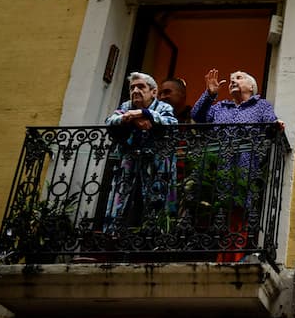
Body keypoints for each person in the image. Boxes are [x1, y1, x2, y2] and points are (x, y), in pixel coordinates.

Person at [190, 69, 280, 261]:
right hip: (218, 168)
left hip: (245, 167)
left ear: (252, 86)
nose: (232, 81)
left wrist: (276, 125)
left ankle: (233, 258)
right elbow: (197, 115)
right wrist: (210, 94)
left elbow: (270, 124)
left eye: (238, 78)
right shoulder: (220, 107)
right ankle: (212, 256)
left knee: (239, 211)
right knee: (214, 211)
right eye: (231, 79)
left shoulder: (261, 106)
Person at [104, 72, 179, 232]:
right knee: (119, 199)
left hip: (157, 164)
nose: (135, 90)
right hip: (130, 161)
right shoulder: (126, 107)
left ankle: (154, 239)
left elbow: (172, 124)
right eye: (132, 88)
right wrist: (128, 118)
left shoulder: (164, 107)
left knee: (156, 201)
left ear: (153, 92)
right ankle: (111, 235)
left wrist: (144, 113)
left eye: (141, 86)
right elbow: (110, 121)